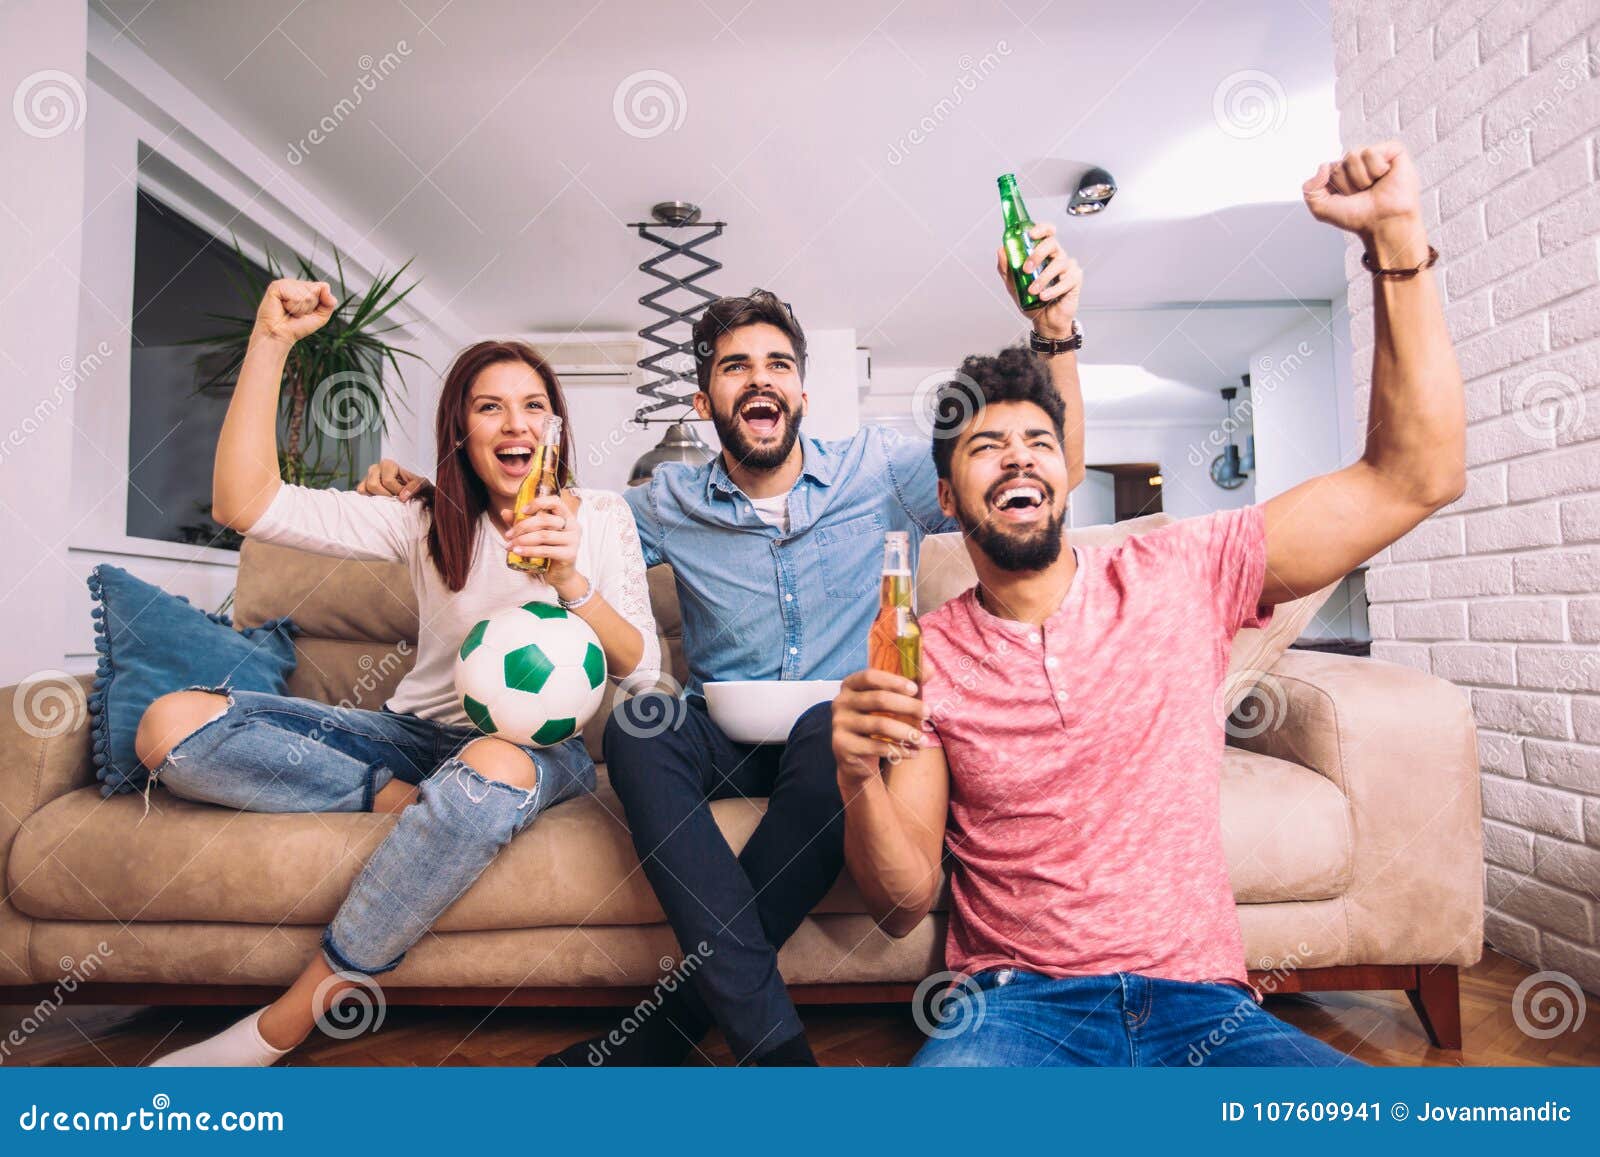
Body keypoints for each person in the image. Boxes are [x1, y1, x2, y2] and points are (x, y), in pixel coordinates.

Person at [358, 224, 1086, 1065]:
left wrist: (1054, 333)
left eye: (778, 364)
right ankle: (753, 1049)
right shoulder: (664, 500)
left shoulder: (878, 470)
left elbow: (1045, 472)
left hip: (836, 741)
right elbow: (545, 513)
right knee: (638, 726)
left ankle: (680, 1034)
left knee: (830, 722)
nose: (760, 379)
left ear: (804, 394)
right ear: (705, 405)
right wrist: (431, 491)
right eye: (734, 367)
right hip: (723, 734)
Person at [830, 141, 1463, 1066]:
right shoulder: (927, 652)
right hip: (1014, 1011)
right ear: (948, 495)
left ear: (1064, 471)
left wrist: (1397, 247)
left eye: (1038, 441)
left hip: (1204, 1005)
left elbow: (1415, 476)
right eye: (985, 446)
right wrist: (854, 778)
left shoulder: (1181, 570)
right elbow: (898, 903)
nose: (1017, 455)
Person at [138, 280, 659, 1066]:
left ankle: (286, 1019)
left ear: (554, 425)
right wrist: (272, 341)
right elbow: (243, 503)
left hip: (537, 753)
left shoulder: (603, 515)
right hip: (411, 738)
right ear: (460, 427)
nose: (515, 422)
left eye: (533, 405)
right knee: (168, 724)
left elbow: (646, 671)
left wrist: (570, 581)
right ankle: (406, 801)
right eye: (490, 406)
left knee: (488, 764)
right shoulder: (421, 516)